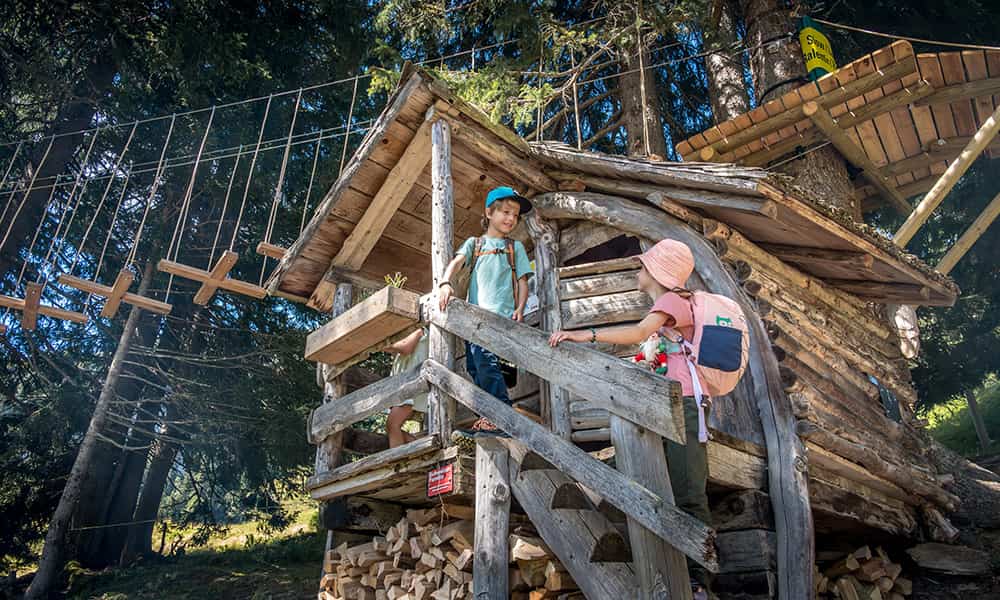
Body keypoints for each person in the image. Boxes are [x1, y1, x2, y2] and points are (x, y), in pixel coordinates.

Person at [548, 239, 712, 598]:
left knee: (687, 491)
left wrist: (581, 334)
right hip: (673, 406)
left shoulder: (672, 300)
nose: (638, 270)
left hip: (683, 405)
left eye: (643, 266)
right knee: (675, 488)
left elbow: (638, 334)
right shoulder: (673, 306)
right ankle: (684, 575)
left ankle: (698, 582)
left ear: (656, 272)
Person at [437, 186, 533, 437]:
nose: (511, 218)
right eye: (505, 212)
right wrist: (445, 283)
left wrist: (521, 309)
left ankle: (502, 419)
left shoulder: (516, 248)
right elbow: (456, 263)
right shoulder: (475, 244)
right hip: (474, 320)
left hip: (500, 320)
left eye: (515, 215)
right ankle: (488, 418)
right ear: (489, 212)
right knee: (475, 367)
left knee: (490, 365)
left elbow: (523, 281)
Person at [383, 328, 429, 448]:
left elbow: (406, 348)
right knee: (391, 426)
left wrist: (387, 345)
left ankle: (398, 460)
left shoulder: (420, 330)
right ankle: (421, 449)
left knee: (392, 424)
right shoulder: (405, 334)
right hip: (404, 387)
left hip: (411, 386)